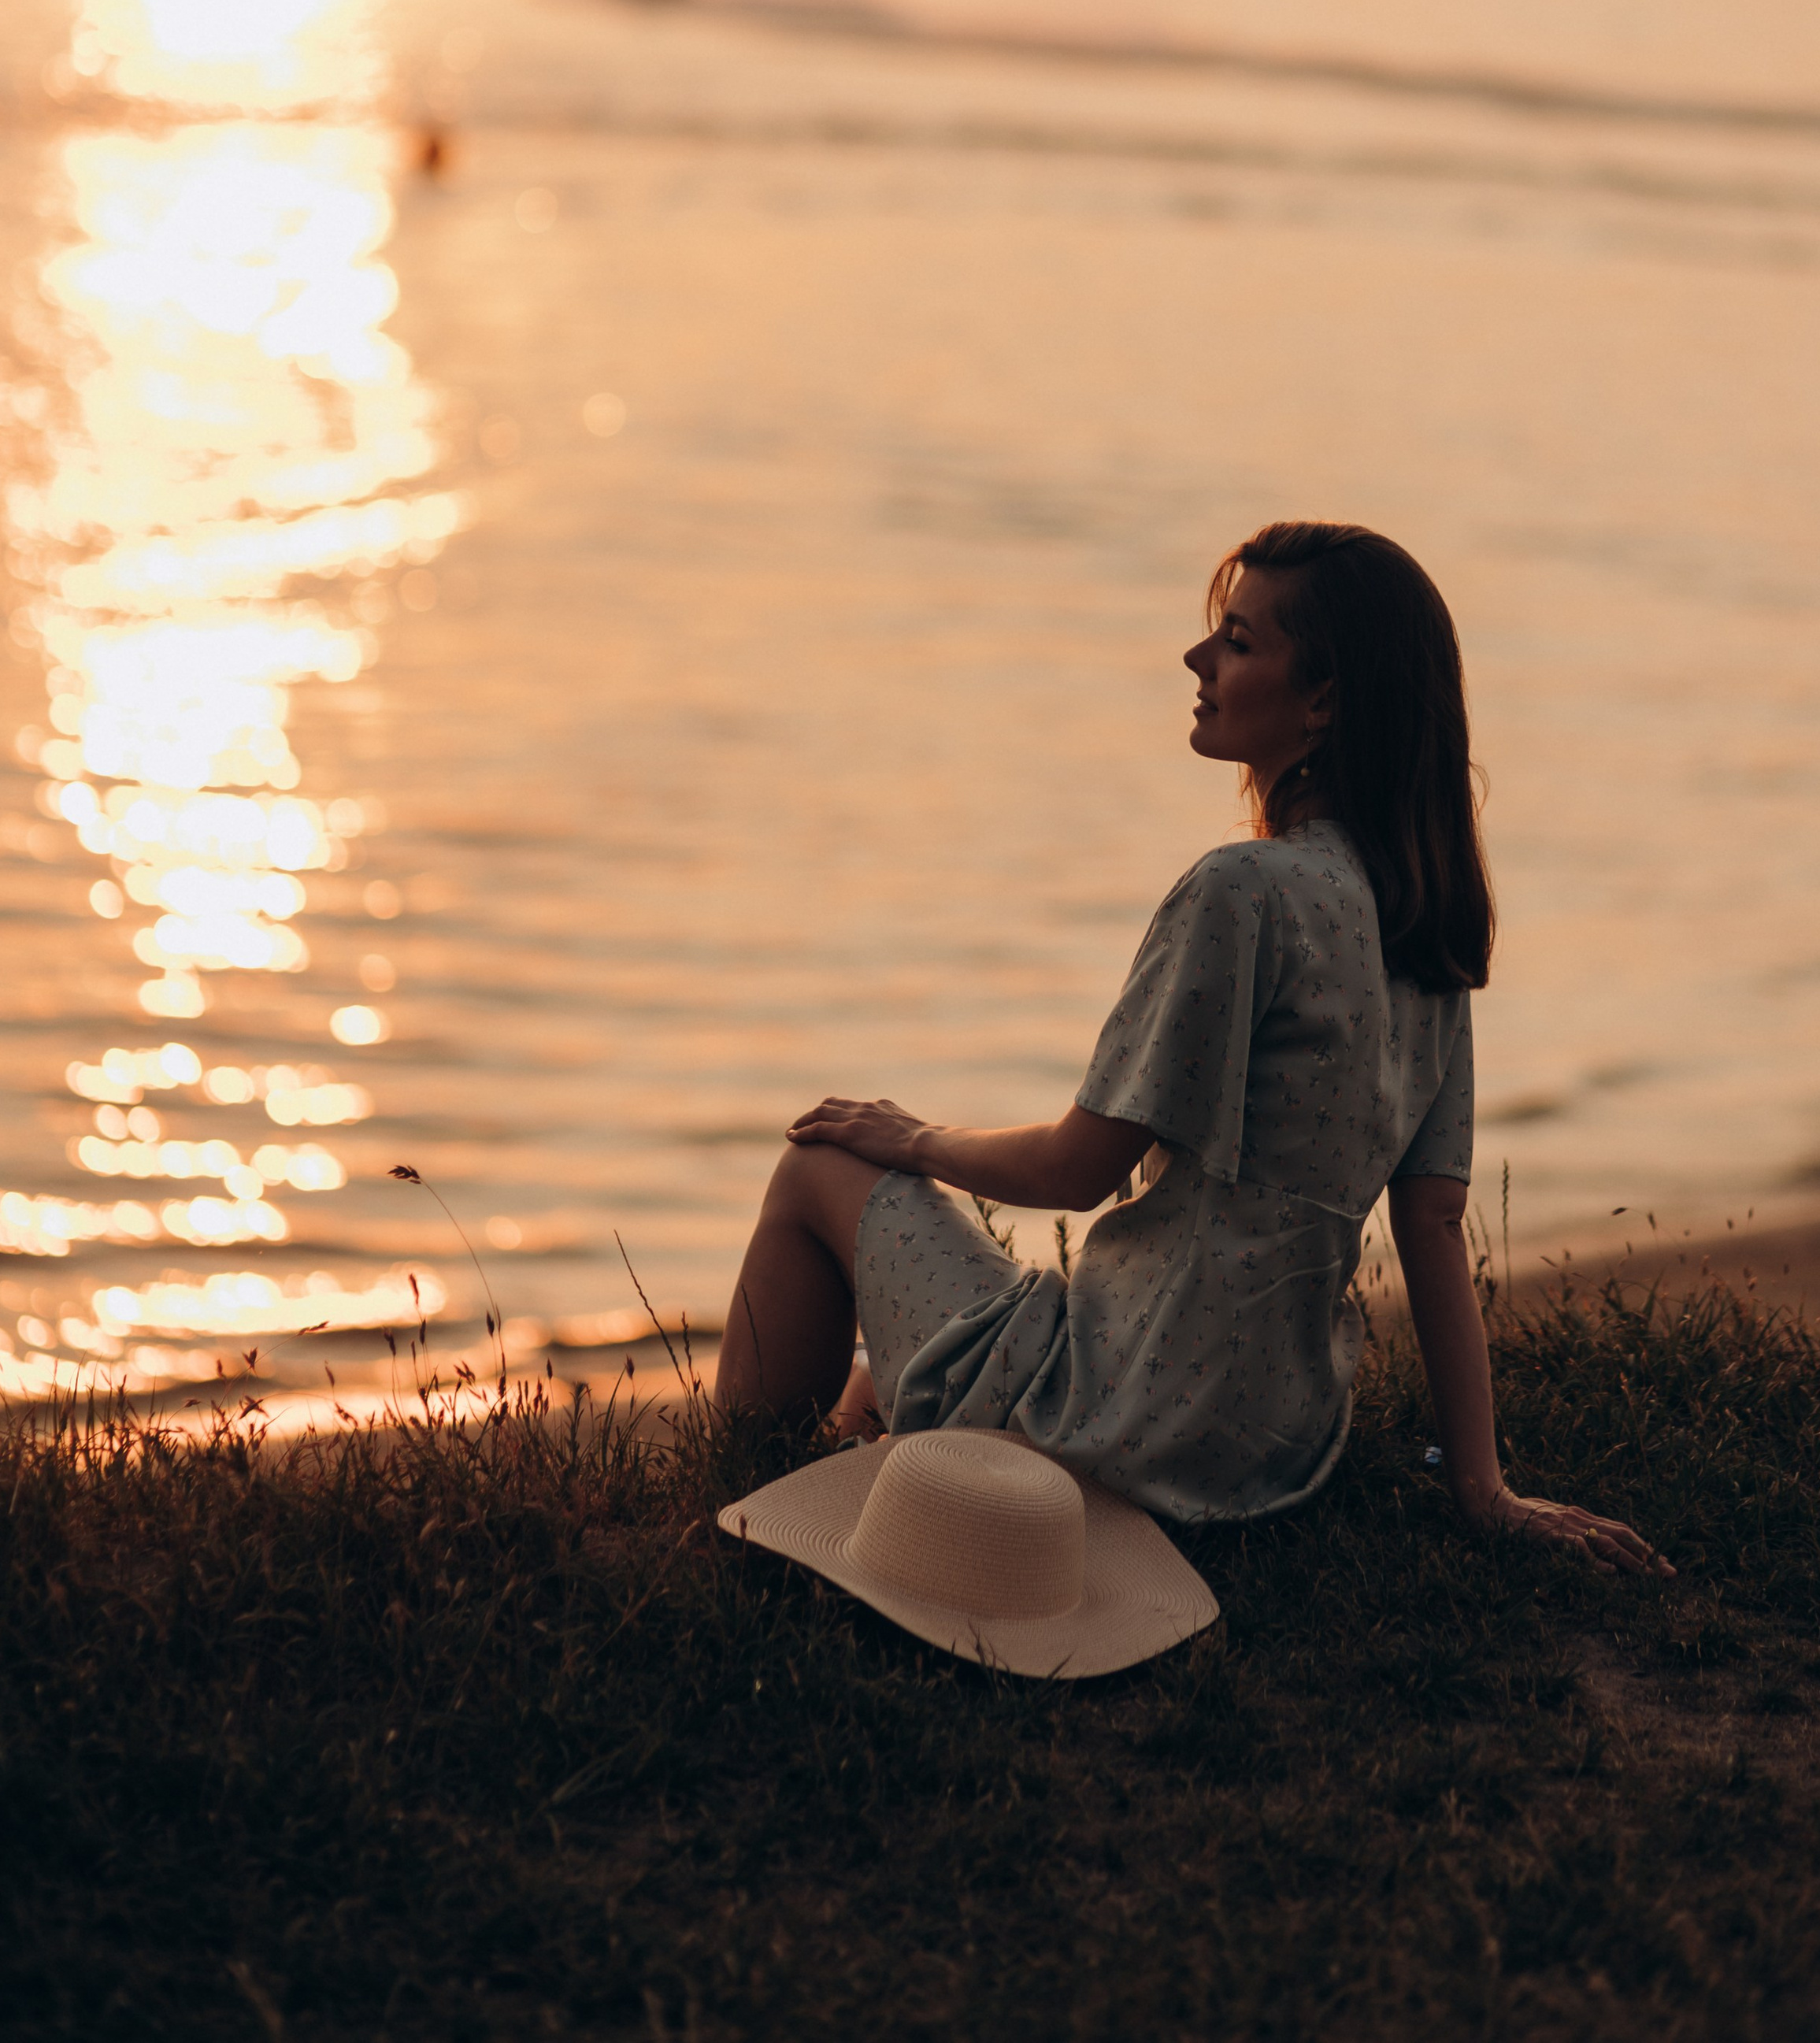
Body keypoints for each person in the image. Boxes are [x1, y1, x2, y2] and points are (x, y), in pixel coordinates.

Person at [715, 521, 1670, 1576]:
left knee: (823, 1164)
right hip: (1270, 1447)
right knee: (874, 1379)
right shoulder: (1421, 926)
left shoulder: (1241, 892)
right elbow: (1435, 1220)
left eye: (1238, 641)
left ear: (1323, 704)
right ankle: (860, 1458)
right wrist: (1484, 1490)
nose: (1197, 660)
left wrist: (914, 1138)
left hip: (1121, 1412)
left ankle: (727, 1507)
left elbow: (1078, 1173)